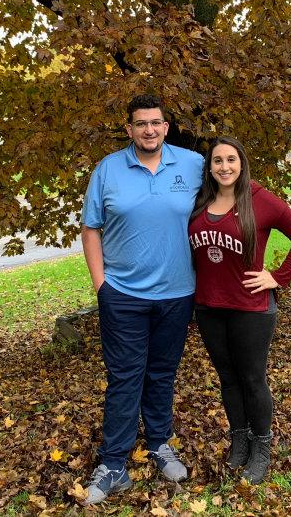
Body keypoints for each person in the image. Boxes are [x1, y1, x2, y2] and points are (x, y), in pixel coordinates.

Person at [80, 94, 204, 504]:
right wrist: (102, 286)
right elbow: (91, 227)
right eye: (140, 123)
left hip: (177, 294)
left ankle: (159, 444)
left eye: (156, 122)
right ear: (129, 128)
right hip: (124, 295)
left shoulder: (192, 164)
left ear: (166, 127)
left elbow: (231, 199)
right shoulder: (108, 169)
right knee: (125, 377)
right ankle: (113, 462)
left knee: (162, 373)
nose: (149, 129)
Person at [188, 137, 291, 485]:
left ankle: (262, 447)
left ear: (241, 163)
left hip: (250, 307)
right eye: (217, 161)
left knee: (252, 379)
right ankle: (239, 440)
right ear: (210, 167)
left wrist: (277, 277)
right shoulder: (201, 201)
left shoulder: (260, 199)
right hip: (209, 307)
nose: (224, 167)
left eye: (231, 159)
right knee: (227, 379)